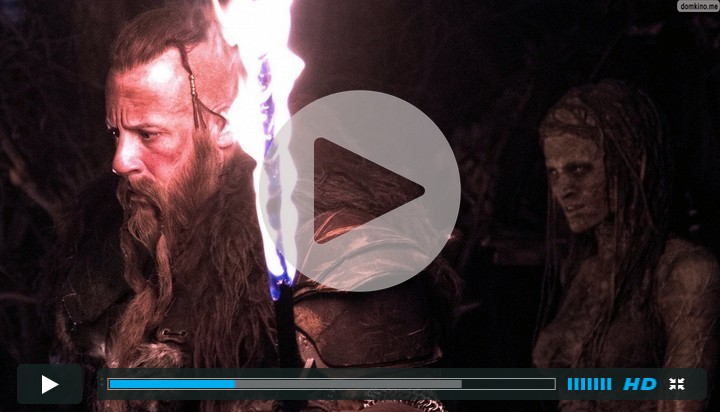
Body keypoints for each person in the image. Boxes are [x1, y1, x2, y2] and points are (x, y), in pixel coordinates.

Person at [51, 4, 457, 411]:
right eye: (116, 133)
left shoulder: (340, 254)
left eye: (148, 134)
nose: (120, 160)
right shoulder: (107, 242)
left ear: (226, 124)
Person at [533, 79, 720, 411]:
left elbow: (685, 396)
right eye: (554, 173)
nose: (563, 190)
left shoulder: (686, 272)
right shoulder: (582, 269)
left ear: (633, 162)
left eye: (579, 169)